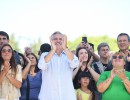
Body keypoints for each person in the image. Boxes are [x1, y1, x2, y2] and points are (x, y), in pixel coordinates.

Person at [38, 31, 79, 100]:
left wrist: (65, 48)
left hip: (67, 96)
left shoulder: (69, 55)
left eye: (60, 39)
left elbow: (75, 64)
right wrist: (53, 49)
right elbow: (41, 66)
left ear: (64, 41)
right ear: (51, 41)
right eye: (55, 39)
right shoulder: (45, 55)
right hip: (48, 96)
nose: (58, 41)